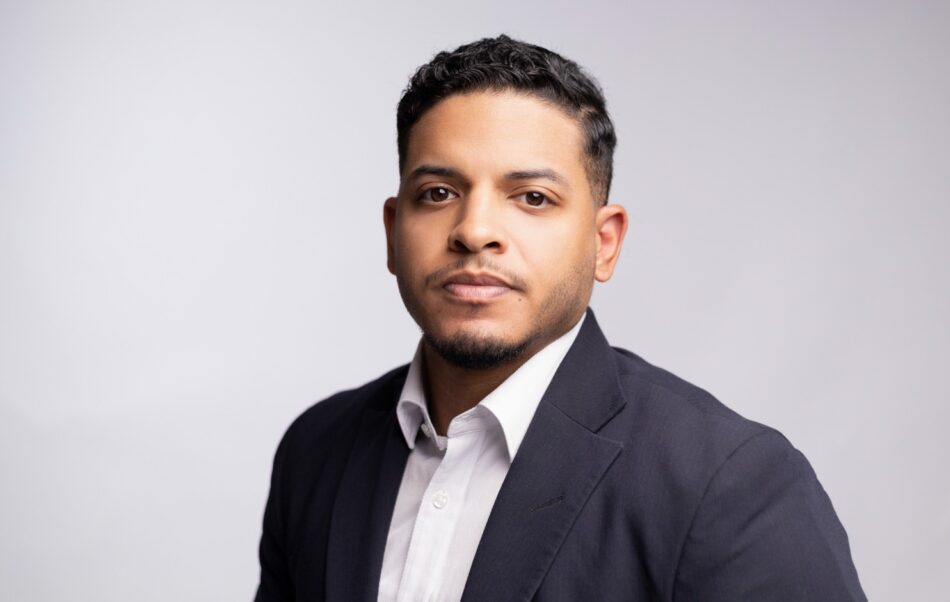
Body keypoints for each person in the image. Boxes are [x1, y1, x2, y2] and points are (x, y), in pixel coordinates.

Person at [254, 35, 867, 601]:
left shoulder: (730, 484)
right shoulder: (316, 451)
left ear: (604, 243)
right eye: (438, 193)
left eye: (533, 198)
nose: (475, 230)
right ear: (393, 233)